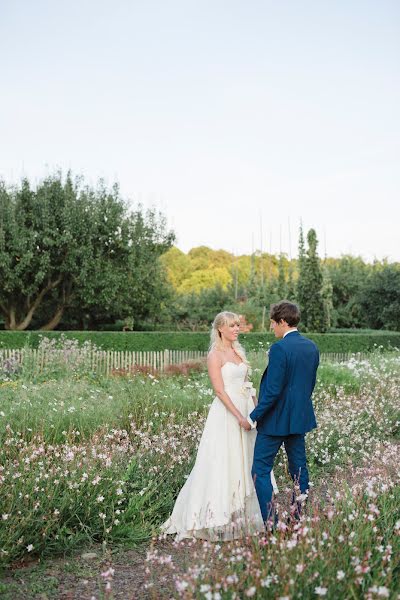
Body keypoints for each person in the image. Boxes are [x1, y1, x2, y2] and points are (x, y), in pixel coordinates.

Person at [161, 311, 278, 541]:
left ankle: (240, 514)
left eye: (238, 325)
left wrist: (256, 413)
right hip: (227, 413)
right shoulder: (215, 355)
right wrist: (238, 417)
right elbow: (219, 391)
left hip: (246, 409)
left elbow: (247, 385)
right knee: (224, 459)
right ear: (220, 329)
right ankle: (215, 515)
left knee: (247, 459)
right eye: (232, 325)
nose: (237, 329)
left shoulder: (238, 351)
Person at [245, 300, 319, 525]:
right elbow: (309, 384)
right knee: (299, 468)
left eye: (273, 324)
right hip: (299, 417)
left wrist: (254, 415)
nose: (272, 328)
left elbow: (273, 389)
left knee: (260, 470)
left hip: (275, 420)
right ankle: (297, 519)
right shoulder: (311, 346)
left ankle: (272, 523)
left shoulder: (279, 348)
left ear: (283, 322)